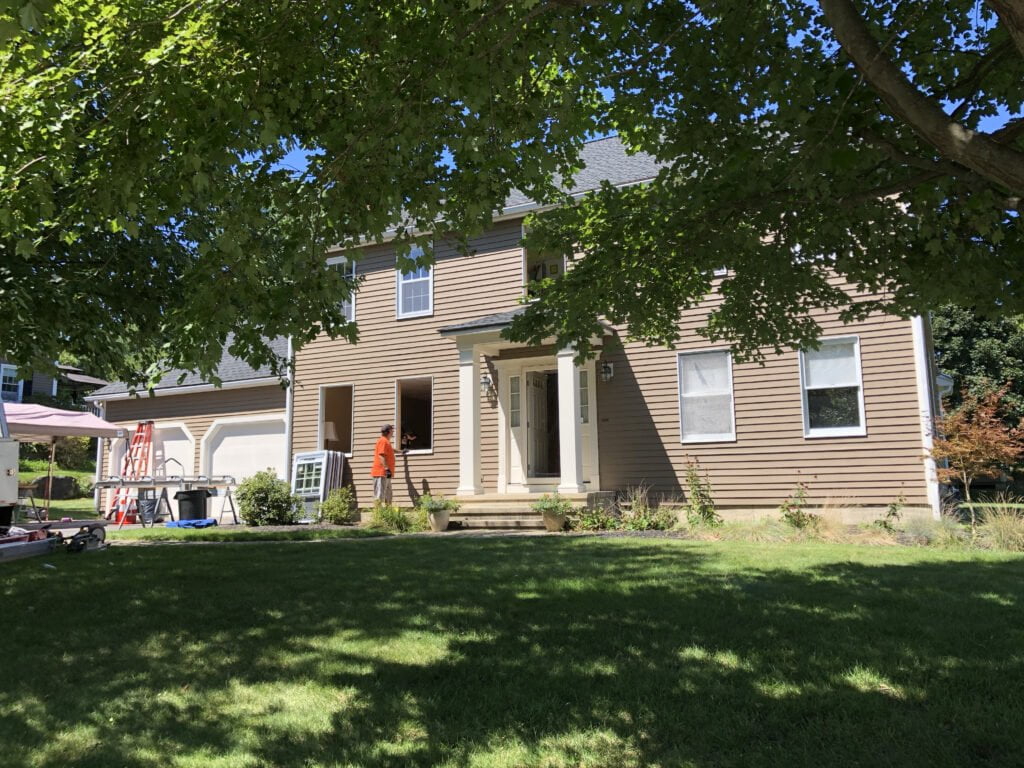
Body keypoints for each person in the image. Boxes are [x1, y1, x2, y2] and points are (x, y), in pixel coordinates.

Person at [371, 424, 396, 505]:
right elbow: (381, 455)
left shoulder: (386, 441)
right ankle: (378, 516)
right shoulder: (383, 441)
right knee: (379, 496)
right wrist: (386, 468)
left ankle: (387, 514)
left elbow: (391, 450)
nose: (393, 432)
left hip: (386, 473)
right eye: (392, 430)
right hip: (381, 473)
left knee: (388, 496)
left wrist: (401, 451)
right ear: (388, 431)